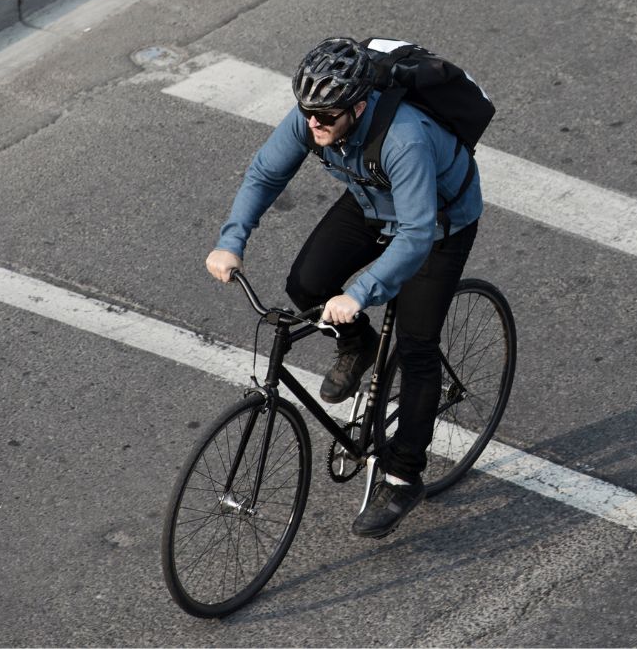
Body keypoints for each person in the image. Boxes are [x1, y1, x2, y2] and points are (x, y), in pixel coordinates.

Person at [204, 36, 482, 538]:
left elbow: (417, 233)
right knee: (306, 282)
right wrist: (232, 240)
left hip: (439, 222)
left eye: (326, 115)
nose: (314, 123)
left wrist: (361, 292)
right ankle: (360, 348)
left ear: (358, 105)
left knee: (417, 347)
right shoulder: (314, 118)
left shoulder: (405, 139)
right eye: (308, 111)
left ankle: (402, 476)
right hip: (372, 199)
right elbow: (266, 173)